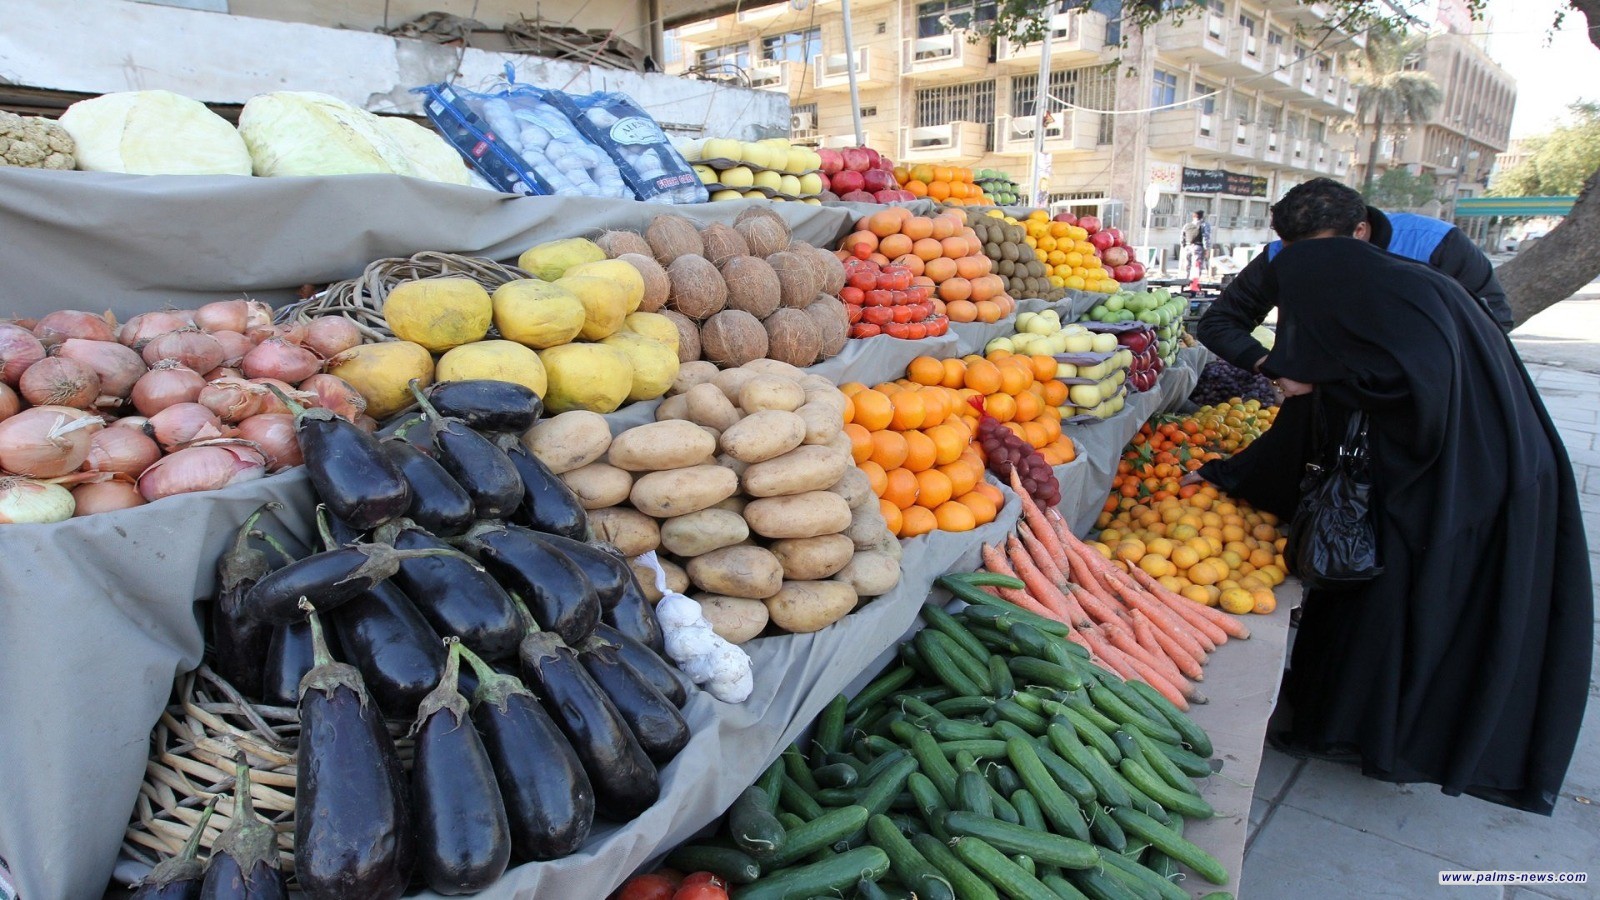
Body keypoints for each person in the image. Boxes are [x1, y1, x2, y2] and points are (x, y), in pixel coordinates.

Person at [1226, 179, 1591, 815]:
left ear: (1358, 232)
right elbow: (1365, 379)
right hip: (1449, 454)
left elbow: (1406, 390)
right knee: (1383, 584)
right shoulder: (1378, 278)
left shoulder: (1404, 270)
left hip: (1471, 466)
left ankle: (1377, 736)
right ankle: (1344, 724)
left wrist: (1318, 397)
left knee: (1411, 590)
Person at [1194, 186, 1515, 518]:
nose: (1305, 266)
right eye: (1295, 255)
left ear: (1359, 231)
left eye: (1315, 254)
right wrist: (1270, 364)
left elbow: (1490, 327)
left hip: (1429, 419)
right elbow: (1219, 322)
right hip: (1335, 427)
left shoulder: (1433, 245)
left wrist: (1352, 379)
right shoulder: (1281, 255)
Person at [1180, 210, 1210, 285]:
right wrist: (1206, 249)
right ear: (1202, 216)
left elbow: (1182, 237)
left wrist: (1183, 246)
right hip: (1198, 247)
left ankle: (1185, 281)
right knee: (1197, 266)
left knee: (1187, 265)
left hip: (1187, 247)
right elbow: (1205, 237)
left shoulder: (1187, 225)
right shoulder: (1204, 225)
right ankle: (1195, 284)